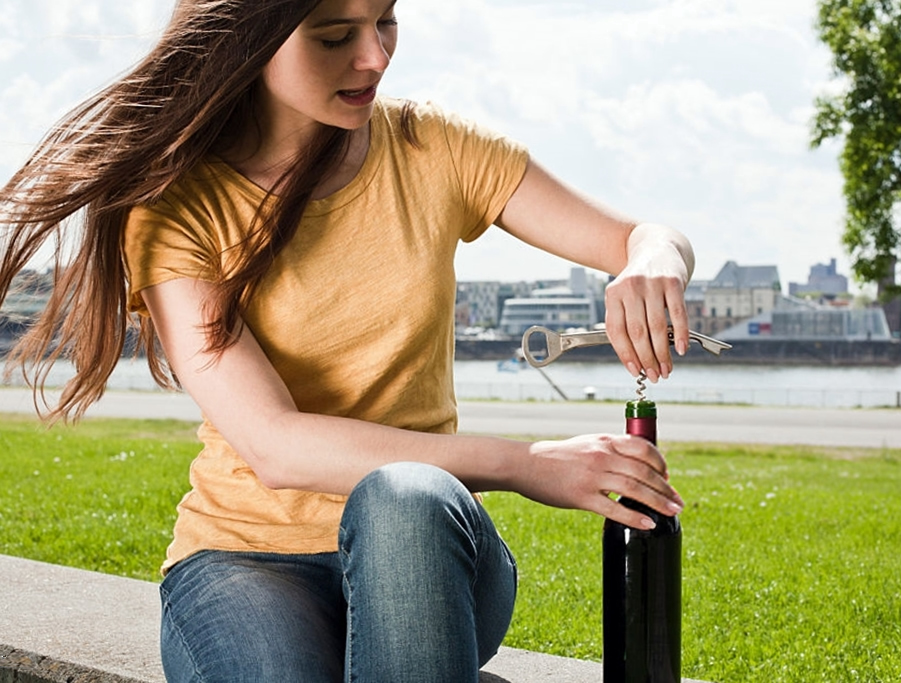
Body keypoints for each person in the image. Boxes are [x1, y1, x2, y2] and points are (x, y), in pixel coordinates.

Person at [0, 1, 694, 681]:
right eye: (335, 36)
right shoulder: (178, 207)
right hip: (244, 559)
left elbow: (640, 236)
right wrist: (529, 464)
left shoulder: (435, 147)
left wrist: (653, 258)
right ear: (252, 40)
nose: (376, 55)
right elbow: (274, 443)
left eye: (386, 19)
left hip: (426, 549)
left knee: (406, 494)